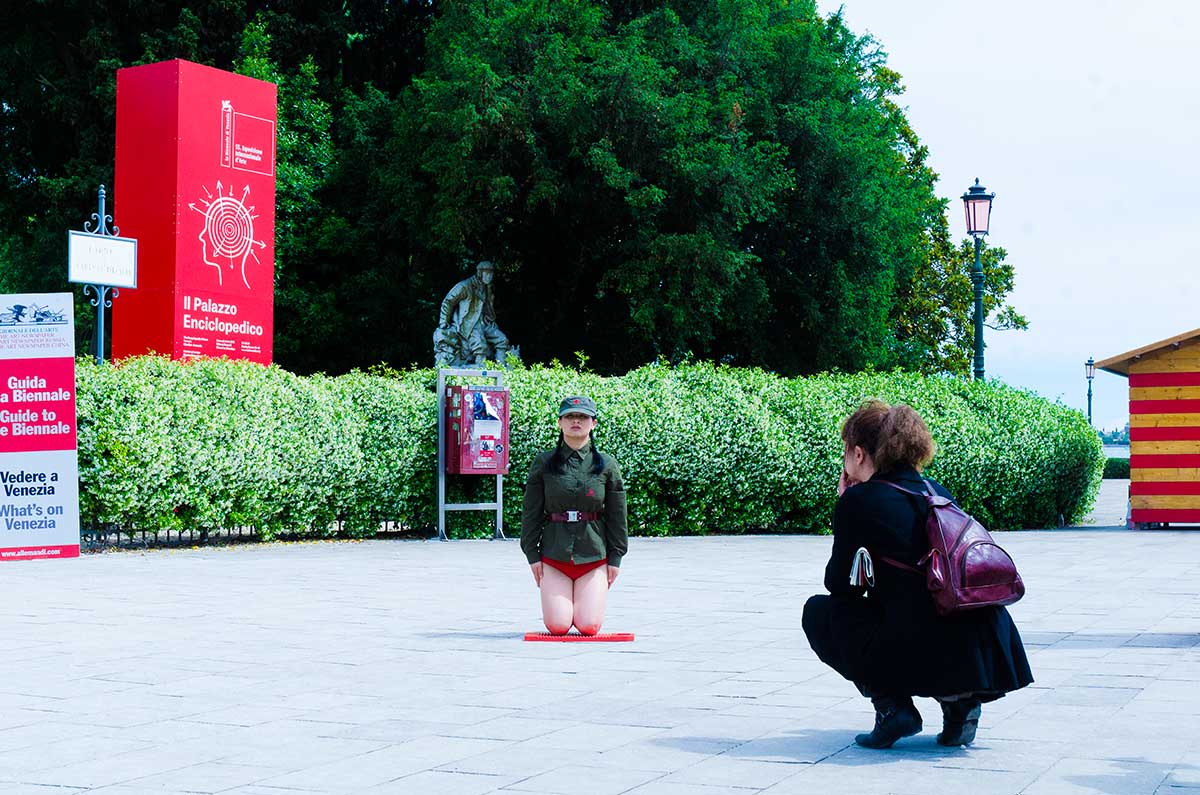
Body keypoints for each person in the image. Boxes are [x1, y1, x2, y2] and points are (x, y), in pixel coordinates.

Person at [802, 400, 1033, 749]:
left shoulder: (859, 500)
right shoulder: (935, 491)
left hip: (920, 642)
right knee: (915, 608)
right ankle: (958, 706)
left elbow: (839, 587)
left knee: (820, 612)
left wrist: (846, 506)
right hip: (982, 637)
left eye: (846, 452)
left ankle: (892, 708)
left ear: (859, 454)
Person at [521, 396, 628, 635]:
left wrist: (615, 557)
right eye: (570, 416)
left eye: (583, 417)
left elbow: (617, 516)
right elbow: (531, 512)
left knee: (588, 626)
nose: (576, 421)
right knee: (558, 626)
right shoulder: (544, 463)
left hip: (594, 555)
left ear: (594, 423)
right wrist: (532, 554)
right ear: (559, 422)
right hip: (554, 553)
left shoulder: (607, 466)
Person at [436, 260, 511, 366]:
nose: (490, 276)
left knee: (502, 340)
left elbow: (488, 308)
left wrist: (490, 319)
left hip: (485, 322)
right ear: (480, 273)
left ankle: (502, 370)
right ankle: (481, 373)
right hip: (470, 322)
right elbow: (448, 302)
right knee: (480, 347)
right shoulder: (465, 286)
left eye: (491, 274)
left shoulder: (487, 287)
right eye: (487, 273)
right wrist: (443, 321)